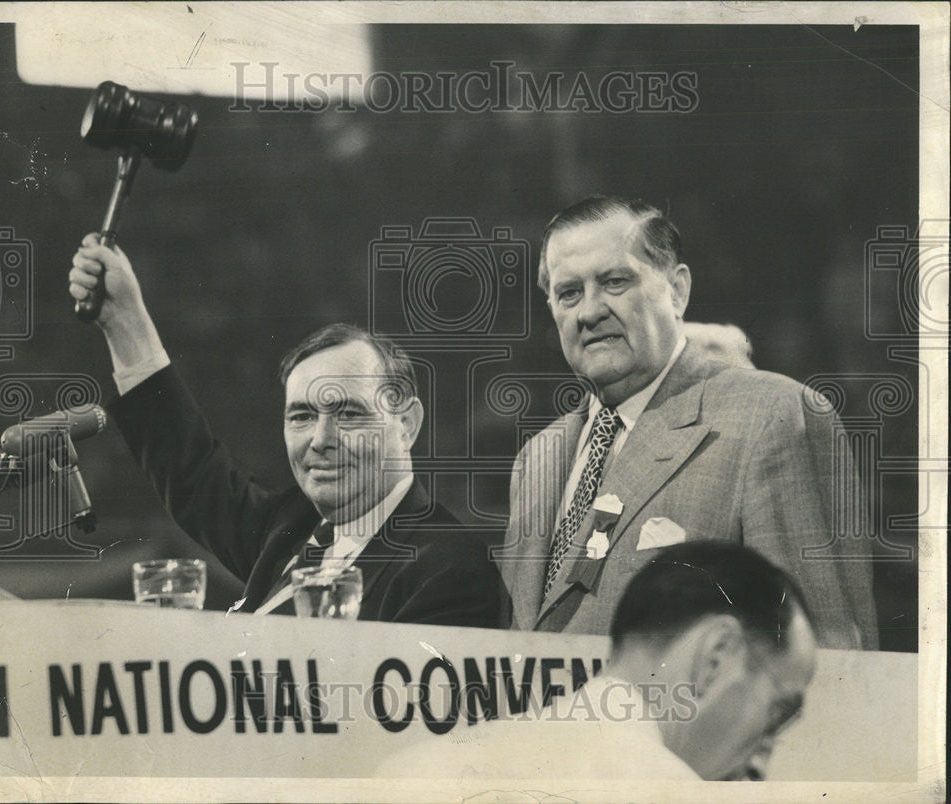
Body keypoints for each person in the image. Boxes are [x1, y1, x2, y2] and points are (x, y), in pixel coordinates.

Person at [498, 196, 877, 648]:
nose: (589, 311)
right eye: (569, 293)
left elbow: (825, 655)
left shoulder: (772, 417)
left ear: (677, 291)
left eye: (615, 282)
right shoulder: (536, 458)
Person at [68, 233, 505, 626]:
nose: (319, 439)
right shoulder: (294, 525)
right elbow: (192, 473)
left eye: (348, 414)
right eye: (301, 416)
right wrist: (123, 321)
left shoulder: (449, 569)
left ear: (407, 425)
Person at [376, 541, 817, 782]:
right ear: (715, 657)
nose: (760, 763)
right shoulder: (665, 792)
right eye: (779, 712)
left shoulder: (413, 770)